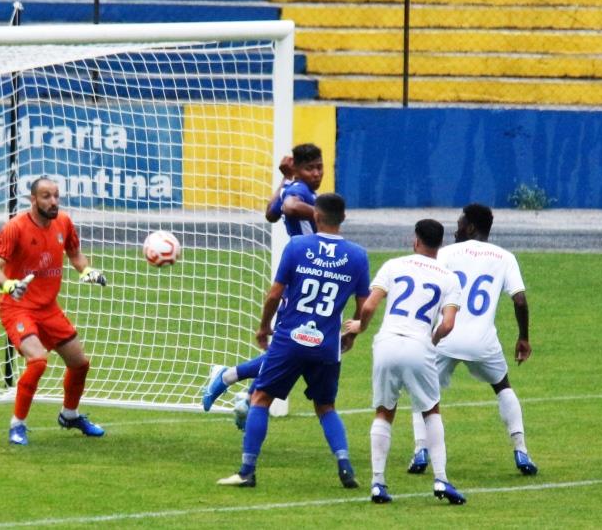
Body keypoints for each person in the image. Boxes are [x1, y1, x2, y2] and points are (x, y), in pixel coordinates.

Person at [217, 193, 369, 489]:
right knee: (326, 407)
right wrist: (350, 332)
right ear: (344, 218)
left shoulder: (298, 246)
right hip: (326, 344)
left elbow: (275, 295)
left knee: (260, 398)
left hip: (289, 340)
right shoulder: (358, 255)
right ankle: (345, 465)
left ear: (315, 216)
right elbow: (363, 305)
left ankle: (247, 471)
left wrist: (263, 328)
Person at [406, 203, 538, 476]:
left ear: (472, 227)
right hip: (483, 342)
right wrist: (523, 337)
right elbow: (521, 300)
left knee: (424, 392)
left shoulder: (445, 254)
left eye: (460, 223)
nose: (455, 228)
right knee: (503, 387)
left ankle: (421, 450)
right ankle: (521, 451)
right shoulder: (505, 257)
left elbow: (427, 289)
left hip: (445, 335)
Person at [344, 219, 467, 505]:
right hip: (419, 345)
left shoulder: (394, 265)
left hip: (387, 342)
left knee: (384, 411)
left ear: (415, 240)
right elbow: (448, 324)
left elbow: (370, 304)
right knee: (431, 411)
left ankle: (377, 483)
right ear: (441, 245)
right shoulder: (449, 278)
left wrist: (359, 328)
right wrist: (431, 342)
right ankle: (441, 479)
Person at [202, 143, 325, 422]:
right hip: (301, 279)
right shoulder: (300, 192)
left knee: (293, 347)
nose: (317, 173)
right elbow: (290, 207)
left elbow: (271, 213)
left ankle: (247, 397)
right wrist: (321, 213)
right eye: (310, 168)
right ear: (297, 169)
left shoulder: (294, 186)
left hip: (308, 278)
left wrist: (285, 179)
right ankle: (229, 378)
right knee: (291, 348)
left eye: (319, 166)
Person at [0, 176, 108, 446]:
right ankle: (17, 425)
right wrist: (8, 285)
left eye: (55, 196)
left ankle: (70, 415)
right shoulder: (15, 228)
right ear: (33, 200)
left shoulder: (63, 222)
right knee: (37, 361)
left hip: (48, 308)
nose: (53, 201)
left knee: (80, 363)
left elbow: (74, 253)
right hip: (17, 308)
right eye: (46, 196)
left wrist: (86, 270)